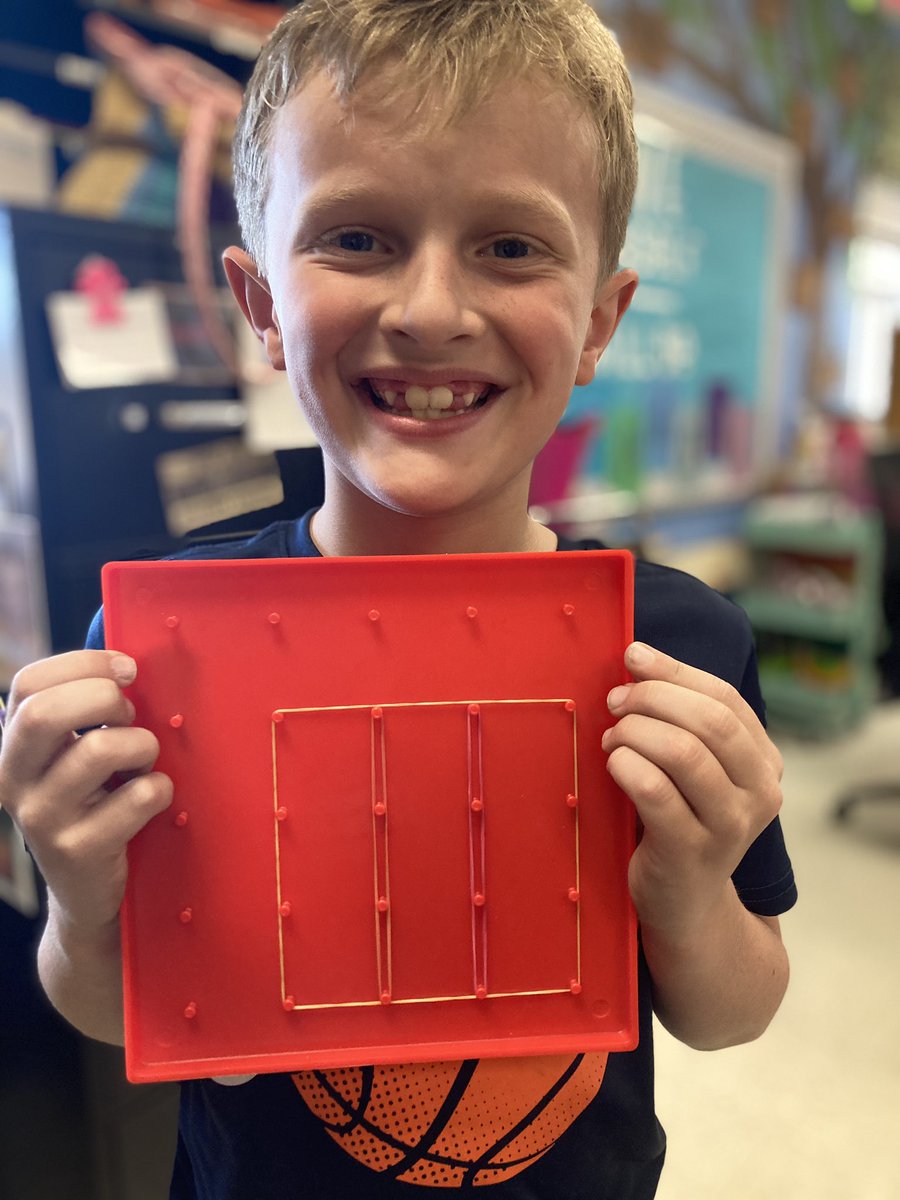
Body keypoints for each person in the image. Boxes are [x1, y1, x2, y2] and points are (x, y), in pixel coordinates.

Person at [0, 2, 796, 1196]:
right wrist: (76, 892)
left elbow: (733, 1012)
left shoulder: (676, 647)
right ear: (260, 304)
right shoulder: (162, 652)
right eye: (358, 238)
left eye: (511, 248)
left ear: (598, 322)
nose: (430, 310)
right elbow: (116, 1012)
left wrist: (684, 888)